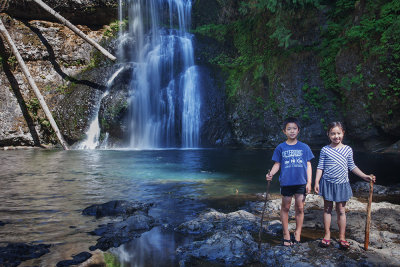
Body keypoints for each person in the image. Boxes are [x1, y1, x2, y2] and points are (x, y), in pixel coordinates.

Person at [314, 121, 376, 250]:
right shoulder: (325, 149)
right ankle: (327, 235)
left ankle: (342, 237)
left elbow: (352, 166)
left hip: (342, 183)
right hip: (327, 183)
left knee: (341, 210)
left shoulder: (348, 149)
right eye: (333, 134)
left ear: (343, 134)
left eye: (338, 133)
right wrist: (316, 182)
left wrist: (364, 176)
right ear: (328, 134)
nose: (336, 136)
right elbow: (320, 167)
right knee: (327, 209)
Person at [266, 117, 314, 246]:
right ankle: (286, 233)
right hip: (286, 183)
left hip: (301, 183)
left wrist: (309, 182)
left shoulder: (304, 147)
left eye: (294, 128)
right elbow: (277, 164)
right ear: (284, 131)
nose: (292, 131)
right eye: (289, 129)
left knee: (299, 207)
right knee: (286, 207)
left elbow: (308, 165)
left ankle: (298, 232)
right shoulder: (281, 147)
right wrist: (271, 173)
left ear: (298, 130)